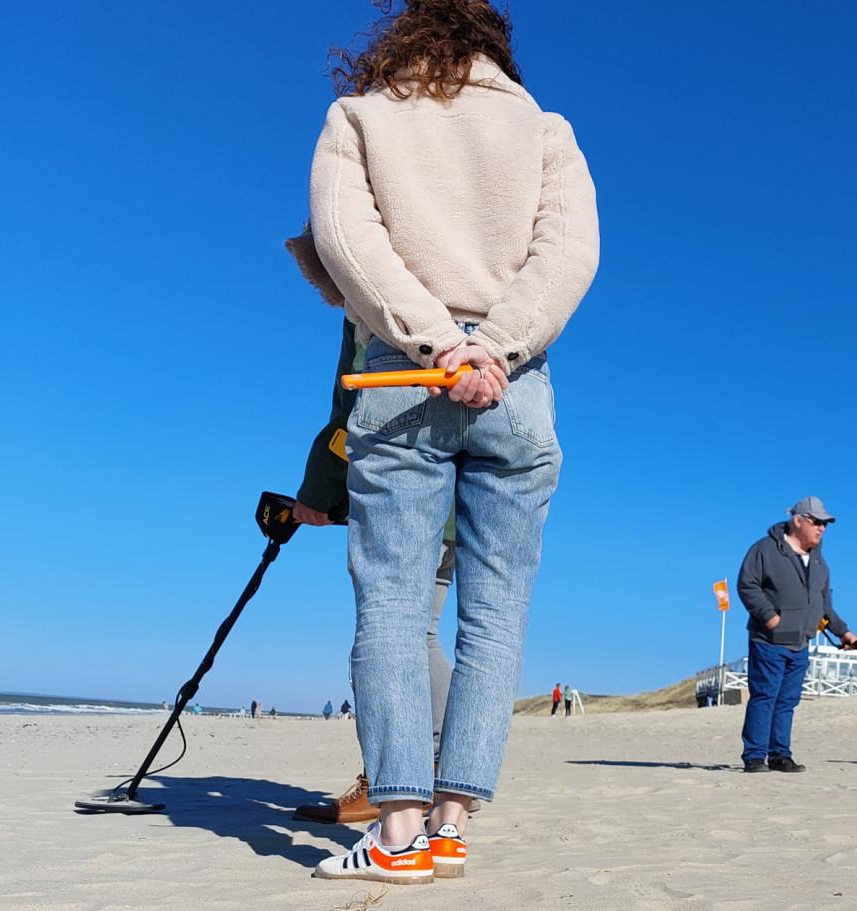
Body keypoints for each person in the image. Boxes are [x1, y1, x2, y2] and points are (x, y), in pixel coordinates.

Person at [308, 0, 599, 885]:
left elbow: (347, 243)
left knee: (395, 605)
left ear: (403, 37)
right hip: (518, 384)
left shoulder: (360, 117)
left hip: (405, 377)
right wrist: (495, 346)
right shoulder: (545, 130)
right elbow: (570, 254)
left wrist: (441, 343)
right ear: (493, 45)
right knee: (496, 616)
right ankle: (450, 826)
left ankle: (397, 832)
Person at [285, 228, 463, 826]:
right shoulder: (446, 289)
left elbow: (350, 414)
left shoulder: (375, 312)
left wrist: (315, 496)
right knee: (420, 635)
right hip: (455, 500)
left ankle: (399, 778)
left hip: (409, 497)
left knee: (391, 638)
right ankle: (439, 775)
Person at [736, 496, 857, 773]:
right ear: (798, 520)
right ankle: (754, 756)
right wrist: (770, 618)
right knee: (765, 696)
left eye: (826, 524)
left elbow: (824, 604)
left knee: (787, 701)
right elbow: (747, 585)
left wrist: (844, 632)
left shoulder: (819, 562)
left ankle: (780, 755)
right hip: (768, 641)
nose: (822, 528)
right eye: (817, 522)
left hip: (800, 643)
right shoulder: (765, 549)